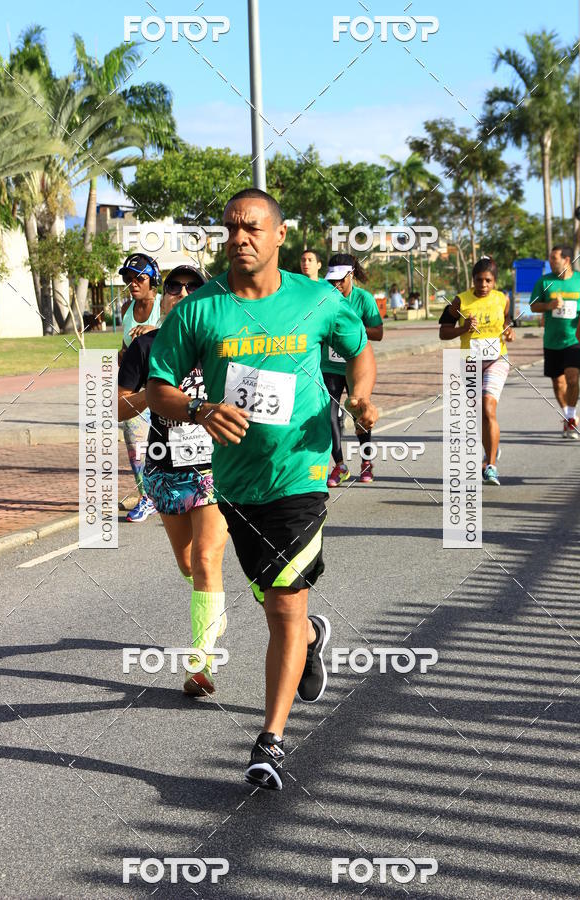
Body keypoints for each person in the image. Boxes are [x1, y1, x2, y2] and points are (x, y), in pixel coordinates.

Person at [146, 188, 377, 790]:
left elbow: (360, 351)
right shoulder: (199, 309)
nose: (239, 238)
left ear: (279, 235)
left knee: (280, 601)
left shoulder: (318, 299)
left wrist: (362, 396)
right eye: (230, 229)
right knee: (275, 602)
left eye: (251, 228)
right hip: (235, 483)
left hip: (301, 471)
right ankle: (309, 634)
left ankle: (270, 740)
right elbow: (158, 387)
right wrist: (198, 410)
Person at [117, 262, 229, 695]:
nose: (181, 293)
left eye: (192, 287)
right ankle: (213, 605)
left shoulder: (222, 341)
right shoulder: (146, 347)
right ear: (162, 299)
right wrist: (153, 394)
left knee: (204, 558)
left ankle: (201, 661)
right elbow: (120, 409)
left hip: (214, 466)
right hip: (165, 466)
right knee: (188, 564)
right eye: (173, 287)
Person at [439, 256, 514, 485]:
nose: (483, 285)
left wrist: (508, 330)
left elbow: (506, 321)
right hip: (469, 362)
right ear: (473, 280)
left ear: (495, 282)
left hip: (496, 359)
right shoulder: (460, 301)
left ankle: (491, 466)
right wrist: (463, 328)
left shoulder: (503, 299)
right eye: (479, 280)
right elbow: (443, 332)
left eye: (488, 281)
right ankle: (491, 449)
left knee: (488, 408)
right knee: (479, 413)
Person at [322, 254, 384, 486]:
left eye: (339, 280)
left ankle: (366, 463)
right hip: (329, 366)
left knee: (359, 411)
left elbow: (378, 332)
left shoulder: (364, 299)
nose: (335, 285)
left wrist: (351, 332)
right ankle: (340, 466)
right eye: (331, 281)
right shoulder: (324, 298)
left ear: (351, 275)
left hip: (356, 365)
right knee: (329, 416)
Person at [118, 253, 162, 522]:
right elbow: (125, 346)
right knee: (135, 442)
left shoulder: (163, 306)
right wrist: (121, 356)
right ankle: (147, 496)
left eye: (139, 278)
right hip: (136, 388)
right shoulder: (126, 309)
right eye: (128, 279)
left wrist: (152, 329)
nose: (133, 284)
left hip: (163, 384)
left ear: (153, 281)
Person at [529, 245, 580, 439]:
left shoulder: (578, 281)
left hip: (575, 339)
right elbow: (533, 307)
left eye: (554, 258)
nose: (550, 262)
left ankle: (570, 418)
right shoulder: (544, 282)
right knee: (558, 383)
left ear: (566, 260)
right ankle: (570, 416)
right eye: (550, 258)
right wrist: (548, 305)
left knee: (573, 377)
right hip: (552, 340)